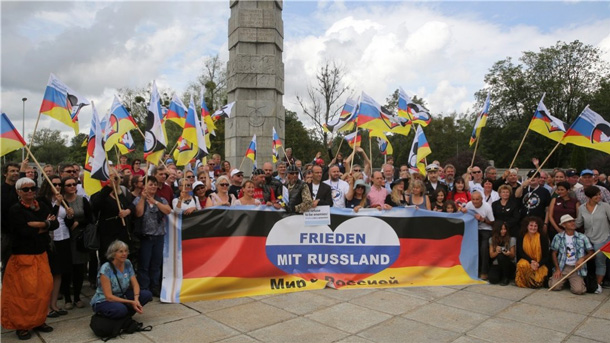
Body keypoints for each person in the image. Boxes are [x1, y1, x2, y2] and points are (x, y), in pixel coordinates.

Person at [1, 178, 58, 340]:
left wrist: (38, 224)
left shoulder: (42, 205)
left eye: (32, 188)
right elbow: (23, 232)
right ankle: (22, 326)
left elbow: (55, 225)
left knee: (43, 289)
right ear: (19, 192)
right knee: (24, 294)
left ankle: (39, 320)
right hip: (22, 257)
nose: (30, 191)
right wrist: (46, 224)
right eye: (25, 189)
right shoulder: (15, 210)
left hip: (41, 254)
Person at [90, 241, 152, 319]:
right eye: (121, 251)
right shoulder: (106, 268)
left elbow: (135, 284)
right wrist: (131, 302)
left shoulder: (127, 263)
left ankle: (124, 316)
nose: (124, 254)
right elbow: (109, 297)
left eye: (126, 251)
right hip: (104, 300)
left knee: (147, 294)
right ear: (113, 254)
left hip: (121, 295)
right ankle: (111, 315)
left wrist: (136, 299)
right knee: (121, 309)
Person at [133, 178, 172, 297]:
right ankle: (144, 287)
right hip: (146, 236)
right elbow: (138, 213)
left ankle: (154, 286)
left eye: (155, 184)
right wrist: (144, 199)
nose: (153, 187)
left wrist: (154, 201)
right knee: (144, 264)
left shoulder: (161, 199)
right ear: (145, 186)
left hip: (159, 236)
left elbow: (168, 210)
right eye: (150, 184)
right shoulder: (138, 199)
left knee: (156, 263)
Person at [60, 176, 93, 310]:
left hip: (79, 239)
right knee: (67, 270)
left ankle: (78, 297)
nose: (72, 187)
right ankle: (67, 298)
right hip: (65, 239)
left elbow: (90, 218)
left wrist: (78, 222)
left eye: (74, 184)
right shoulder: (61, 202)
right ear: (64, 187)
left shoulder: (82, 200)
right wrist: (69, 219)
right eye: (69, 185)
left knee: (79, 269)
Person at [91, 169, 134, 265]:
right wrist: (109, 187)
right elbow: (95, 206)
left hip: (121, 230)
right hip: (107, 231)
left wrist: (127, 211)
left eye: (115, 178)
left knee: (122, 257)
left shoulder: (119, 192)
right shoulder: (99, 193)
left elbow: (130, 205)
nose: (113, 180)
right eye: (111, 177)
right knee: (108, 257)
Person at [575, 186, 610, 294]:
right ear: (588, 197)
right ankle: (586, 282)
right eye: (596, 195)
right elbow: (579, 223)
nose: (599, 196)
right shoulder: (582, 208)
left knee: (600, 262)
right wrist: (567, 225)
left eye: (600, 194)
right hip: (588, 238)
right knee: (585, 261)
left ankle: (598, 284)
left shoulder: (605, 206)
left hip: (603, 238)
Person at [549, 214, 594, 295]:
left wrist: (583, 258)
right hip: (563, 266)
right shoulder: (558, 237)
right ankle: (563, 280)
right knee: (554, 287)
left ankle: (570, 281)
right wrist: (557, 268)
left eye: (573, 221)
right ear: (563, 225)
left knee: (579, 291)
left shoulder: (582, 237)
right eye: (569, 222)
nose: (573, 223)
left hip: (576, 268)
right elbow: (554, 253)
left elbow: (591, 252)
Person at [462, 191, 495, 280]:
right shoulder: (469, 205)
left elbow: (492, 222)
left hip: (485, 230)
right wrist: (463, 210)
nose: (475, 201)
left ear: (481, 199)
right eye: (473, 199)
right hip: (473, 229)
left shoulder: (487, 207)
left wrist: (482, 219)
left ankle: (484, 271)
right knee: (470, 246)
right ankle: (470, 269)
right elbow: (463, 213)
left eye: (477, 199)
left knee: (484, 248)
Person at [515, 216, 549, 288]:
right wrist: (531, 261)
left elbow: (546, 256)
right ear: (526, 226)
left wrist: (538, 264)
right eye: (531, 225)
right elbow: (521, 252)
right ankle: (525, 282)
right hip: (528, 261)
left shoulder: (542, 237)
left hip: (539, 263)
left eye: (535, 226)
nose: (533, 228)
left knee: (537, 283)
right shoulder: (522, 236)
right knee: (521, 264)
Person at [1, 162, 20, 277]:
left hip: (21, 234)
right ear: (5, 173)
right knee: (8, 265)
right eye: (12, 171)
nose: (15, 173)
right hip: (7, 234)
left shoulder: (20, 189)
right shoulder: (2, 190)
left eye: (17, 171)